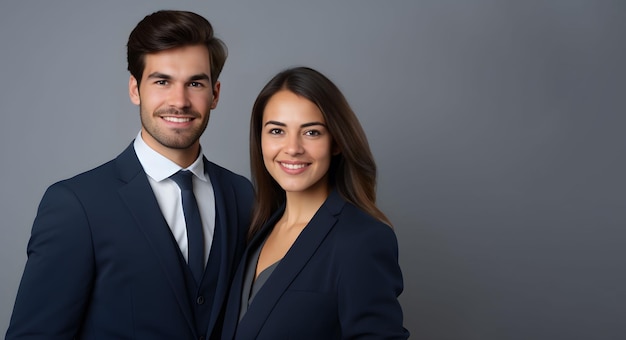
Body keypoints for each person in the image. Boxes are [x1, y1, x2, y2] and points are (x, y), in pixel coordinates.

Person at [6, 10, 253, 340]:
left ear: (215, 94)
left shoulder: (241, 195)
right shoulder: (76, 205)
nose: (179, 101)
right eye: (162, 81)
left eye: (195, 83)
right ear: (135, 89)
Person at [221, 67, 409, 339]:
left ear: (336, 142)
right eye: (276, 131)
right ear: (260, 139)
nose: (293, 148)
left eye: (311, 133)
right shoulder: (255, 229)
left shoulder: (362, 239)